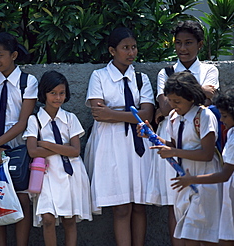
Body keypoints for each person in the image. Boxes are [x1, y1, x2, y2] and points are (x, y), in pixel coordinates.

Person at [149, 20, 219, 246]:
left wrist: (186, 91)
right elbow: (165, 107)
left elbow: (208, 99)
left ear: (199, 44)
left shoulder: (209, 71)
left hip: (201, 171)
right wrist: (200, 90)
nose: (182, 48)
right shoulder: (166, 74)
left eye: (188, 43)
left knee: (207, 226)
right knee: (178, 208)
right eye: (178, 43)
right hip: (178, 161)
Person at [84, 27, 155, 246]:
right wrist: (130, 114)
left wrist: (112, 113)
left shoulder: (141, 79)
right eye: (125, 48)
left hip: (138, 146)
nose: (131, 52)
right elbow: (99, 114)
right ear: (112, 51)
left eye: (133, 47)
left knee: (139, 205)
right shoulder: (100, 76)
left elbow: (147, 114)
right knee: (121, 206)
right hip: (111, 146)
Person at [0, 32, 38, 246]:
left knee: (22, 198)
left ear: (13, 55)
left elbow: (23, 122)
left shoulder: (27, 81)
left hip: (19, 147)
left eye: (0, 55)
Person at [23, 70, 92, 246]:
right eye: (53, 93)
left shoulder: (70, 118)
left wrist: (46, 144)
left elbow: (75, 151)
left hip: (70, 174)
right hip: (45, 174)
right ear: (43, 93)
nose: (57, 97)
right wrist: (63, 148)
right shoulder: (34, 120)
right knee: (47, 218)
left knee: (69, 219)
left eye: (61, 93)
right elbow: (32, 151)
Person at [171, 87, 234, 246]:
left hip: (232, 193)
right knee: (224, 236)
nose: (221, 120)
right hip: (231, 195)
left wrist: (192, 179)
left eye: (225, 116)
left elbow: (224, 175)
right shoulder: (233, 132)